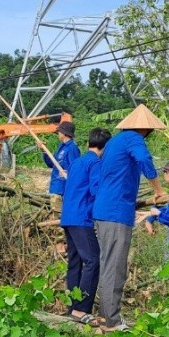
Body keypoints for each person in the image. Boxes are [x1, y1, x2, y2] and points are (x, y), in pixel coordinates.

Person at [92, 104, 167, 332]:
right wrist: (158, 189)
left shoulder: (115, 141)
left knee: (108, 265)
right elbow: (145, 160)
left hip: (105, 210)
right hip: (115, 212)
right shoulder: (134, 138)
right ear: (146, 128)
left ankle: (106, 317)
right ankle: (112, 321)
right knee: (115, 267)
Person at [59, 127, 111, 326]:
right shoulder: (95, 163)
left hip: (68, 217)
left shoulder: (77, 162)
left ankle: (73, 307)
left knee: (75, 262)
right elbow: (96, 190)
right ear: (104, 147)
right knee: (93, 260)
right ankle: (81, 309)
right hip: (82, 219)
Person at [41, 120, 80, 210]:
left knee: (58, 215)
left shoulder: (72, 148)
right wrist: (44, 151)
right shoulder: (61, 146)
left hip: (63, 189)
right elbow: (51, 164)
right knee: (54, 213)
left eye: (59, 131)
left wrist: (68, 173)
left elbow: (75, 169)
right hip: (55, 187)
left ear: (65, 133)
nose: (58, 133)